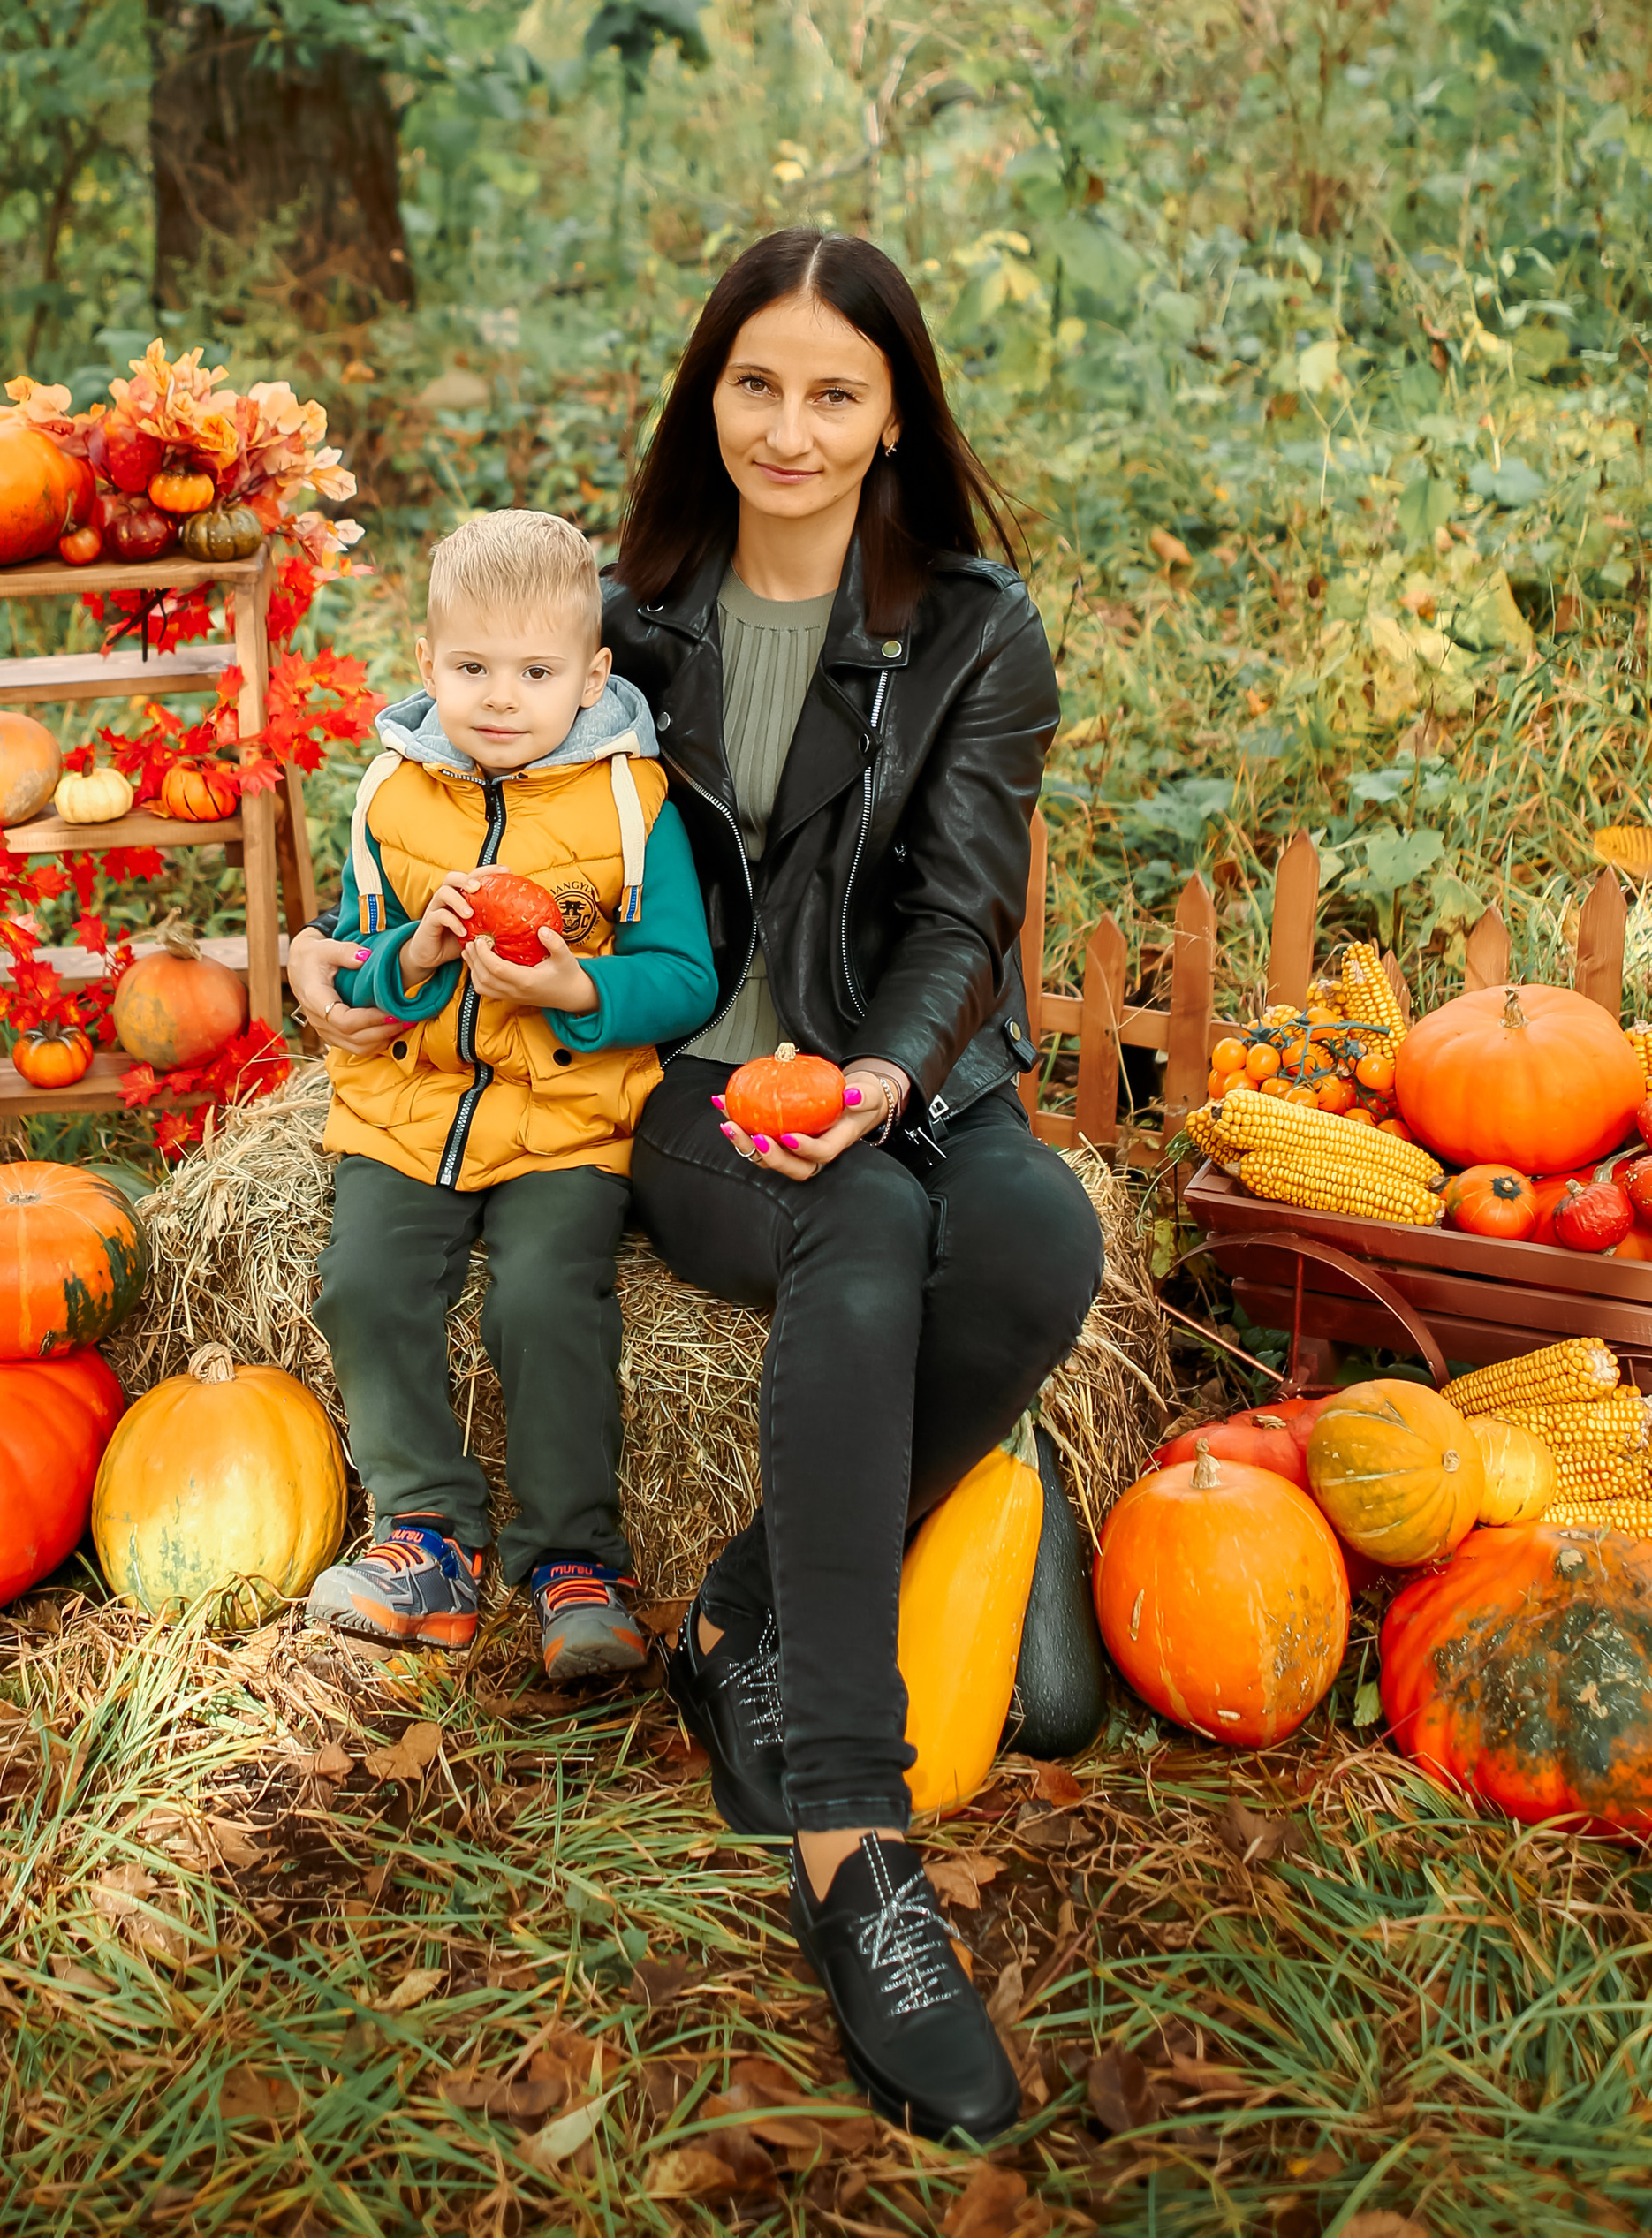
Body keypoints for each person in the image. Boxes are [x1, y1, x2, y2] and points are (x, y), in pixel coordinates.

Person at [289, 232, 1103, 2144]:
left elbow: (962, 905)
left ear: (893, 411)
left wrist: (885, 1078)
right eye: (756, 385)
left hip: (900, 1062)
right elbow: (438, 797)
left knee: (1037, 1239)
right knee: (865, 1224)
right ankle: (849, 1838)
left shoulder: (973, 631)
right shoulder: (625, 616)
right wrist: (351, 962)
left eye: (835, 391)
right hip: (668, 1074)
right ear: (706, 397)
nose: (791, 428)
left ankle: (738, 1614)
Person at [304, 508, 719, 1686]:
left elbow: (685, 977)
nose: (499, 697)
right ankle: (427, 1534)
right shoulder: (391, 798)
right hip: (414, 1105)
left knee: (546, 1299)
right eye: (472, 669)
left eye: (535, 672)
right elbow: (357, 959)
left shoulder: (634, 806)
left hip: (570, 1117)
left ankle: (573, 1559)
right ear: (427, 664)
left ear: (590, 677)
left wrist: (577, 982)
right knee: (364, 1286)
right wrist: (415, 962)